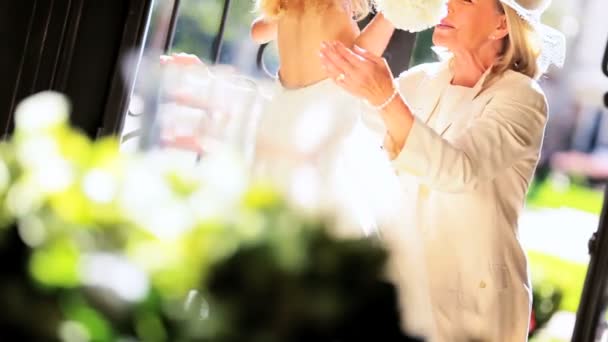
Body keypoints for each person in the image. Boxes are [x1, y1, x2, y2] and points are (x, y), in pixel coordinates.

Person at [320, 0, 565, 340]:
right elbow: (342, 84)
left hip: (474, 311)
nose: (445, 5)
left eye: (464, 0)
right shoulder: (422, 81)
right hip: (409, 294)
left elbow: (456, 170)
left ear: (500, 26)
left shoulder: (523, 98)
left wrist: (386, 97)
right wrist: (396, 11)